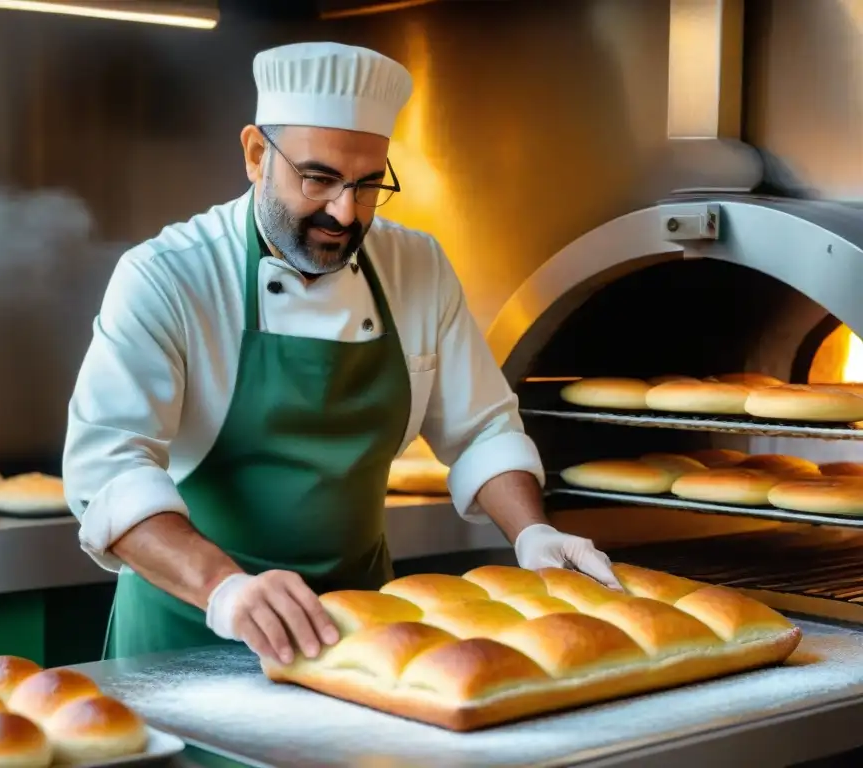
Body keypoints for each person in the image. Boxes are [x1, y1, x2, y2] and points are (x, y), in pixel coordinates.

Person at [62, 41, 620, 666]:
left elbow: (482, 427)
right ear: (254, 155)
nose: (344, 212)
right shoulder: (169, 276)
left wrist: (532, 532)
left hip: (363, 638)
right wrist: (226, 590)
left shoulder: (418, 266)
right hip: (191, 631)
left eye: (368, 184)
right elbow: (108, 468)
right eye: (319, 178)